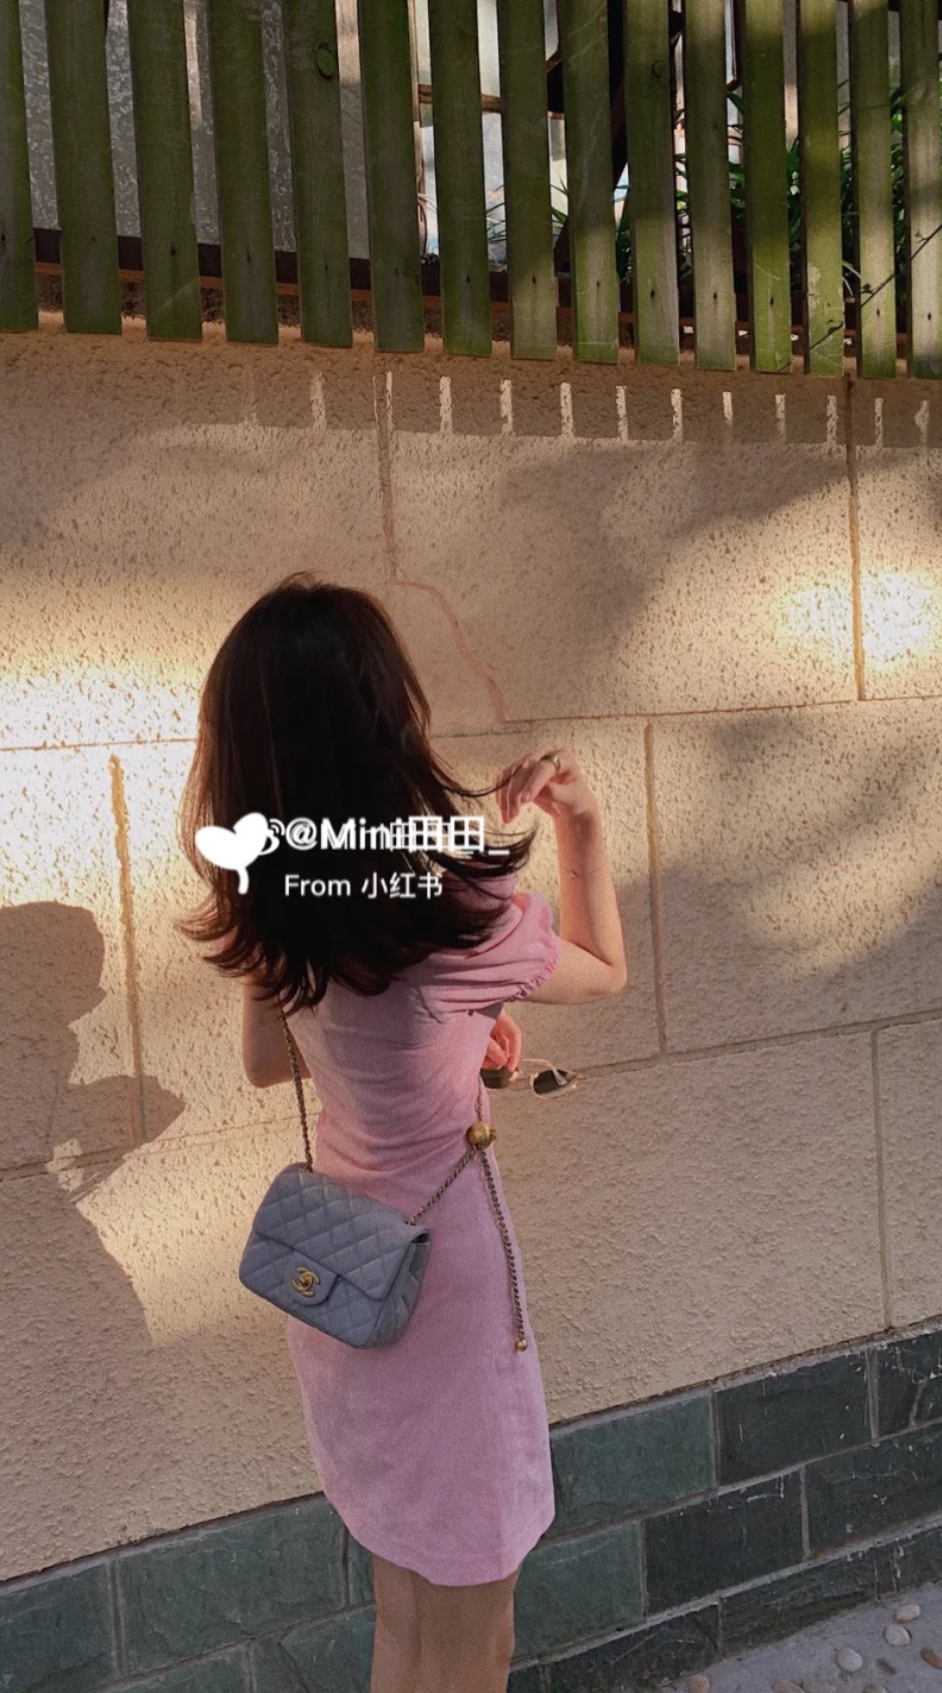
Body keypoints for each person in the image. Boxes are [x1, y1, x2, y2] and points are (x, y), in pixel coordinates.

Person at [178, 572, 628, 1693]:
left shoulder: (275, 896)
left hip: (346, 1279)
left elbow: (269, 1060)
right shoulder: (453, 915)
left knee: (408, 1628)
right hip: (443, 1289)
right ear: (386, 722)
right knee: (477, 1644)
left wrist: (438, 1043)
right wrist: (583, 822)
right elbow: (604, 971)